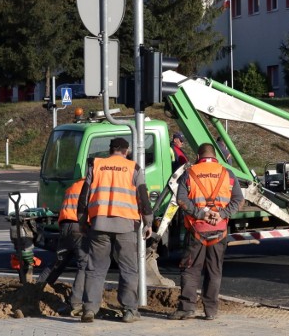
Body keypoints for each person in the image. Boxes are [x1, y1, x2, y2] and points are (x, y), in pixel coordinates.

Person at [168, 143, 244, 321]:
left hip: (196, 230)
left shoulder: (190, 172)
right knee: (214, 271)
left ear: (197, 155)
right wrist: (221, 214)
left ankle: (187, 308)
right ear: (215, 155)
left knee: (190, 270)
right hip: (219, 230)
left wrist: (201, 213)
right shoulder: (227, 173)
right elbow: (239, 199)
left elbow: (181, 199)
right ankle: (210, 311)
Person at [81, 138, 153, 323]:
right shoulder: (133, 168)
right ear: (126, 151)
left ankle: (89, 309)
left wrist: (82, 220)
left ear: (110, 150)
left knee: (95, 268)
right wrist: (148, 222)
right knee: (128, 269)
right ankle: (129, 310)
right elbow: (143, 197)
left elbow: (84, 195)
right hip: (126, 226)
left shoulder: (96, 165)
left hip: (99, 224)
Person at [38, 176, 90, 317]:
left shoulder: (74, 186)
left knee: (59, 260)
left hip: (65, 226)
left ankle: (37, 288)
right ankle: (76, 302)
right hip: (79, 227)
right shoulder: (92, 187)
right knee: (84, 264)